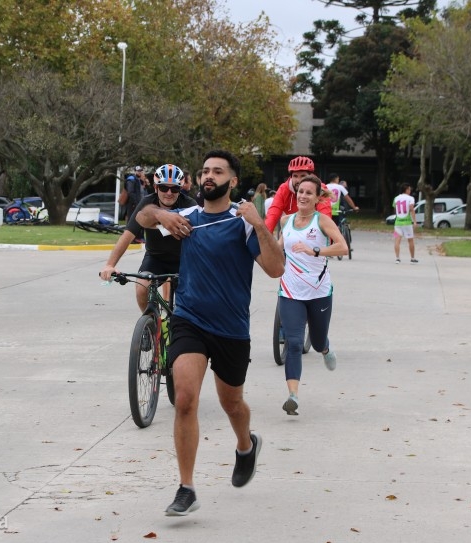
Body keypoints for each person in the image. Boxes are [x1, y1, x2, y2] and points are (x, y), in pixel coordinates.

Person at [135, 149, 285, 517]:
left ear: (233, 181)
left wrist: (261, 224)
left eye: (217, 172)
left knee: (231, 403)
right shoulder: (185, 217)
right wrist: (162, 214)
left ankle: (246, 444)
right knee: (185, 399)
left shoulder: (243, 221)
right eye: (204, 171)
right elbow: (142, 216)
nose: (208, 177)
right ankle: (186, 487)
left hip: (232, 328)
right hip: (189, 319)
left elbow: (275, 269)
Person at [277, 175, 348, 416]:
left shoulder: (322, 221)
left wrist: (315, 250)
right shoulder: (286, 221)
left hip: (318, 291)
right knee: (294, 343)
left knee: (316, 342)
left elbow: (342, 247)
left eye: (309, 192)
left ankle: (326, 348)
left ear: (318, 198)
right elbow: (278, 248)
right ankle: (293, 396)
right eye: (300, 191)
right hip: (290, 291)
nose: (303, 196)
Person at [99, 164, 197, 310]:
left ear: (180, 189)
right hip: (155, 258)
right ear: (156, 188)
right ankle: (152, 323)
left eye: (174, 188)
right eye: (164, 187)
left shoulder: (190, 205)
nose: (169, 193)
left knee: (189, 303)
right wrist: (110, 265)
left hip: (183, 260)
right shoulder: (146, 203)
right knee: (141, 288)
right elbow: (127, 235)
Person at [265, 156, 332, 234]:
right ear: (291, 177)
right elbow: (272, 215)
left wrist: (326, 239)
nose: (299, 180)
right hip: (292, 228)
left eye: (303, 176)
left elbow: (325, 215)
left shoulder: (320, 188)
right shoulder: (284, 189)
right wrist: (264, 238)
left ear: (311, 176)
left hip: (313, 230)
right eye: (295, 176)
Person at [393, 183, 418, 263]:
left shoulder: (396, 198)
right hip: (407, 223)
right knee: (410, 240)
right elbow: (411, 209)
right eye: (409, 189)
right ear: (406, 190)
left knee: (397, 240)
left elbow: (395, 208)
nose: (410, 191)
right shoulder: (410, 198)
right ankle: (412, 258)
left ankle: (397, 258)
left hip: (397, 223)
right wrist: (414, 221)